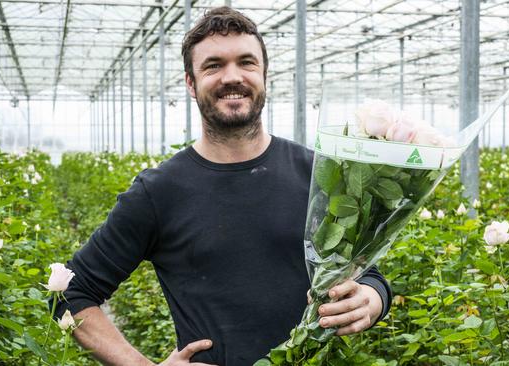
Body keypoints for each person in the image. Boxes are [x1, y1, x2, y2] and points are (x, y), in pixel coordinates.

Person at [53, 7, 391, 366]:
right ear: (190, 82)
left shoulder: (318, 174)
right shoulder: (160, 191)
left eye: (247, 62)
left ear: (264, 75)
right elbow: (69, 294)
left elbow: (365, 273)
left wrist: (370, 299)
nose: (233, 76)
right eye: (213, 65)